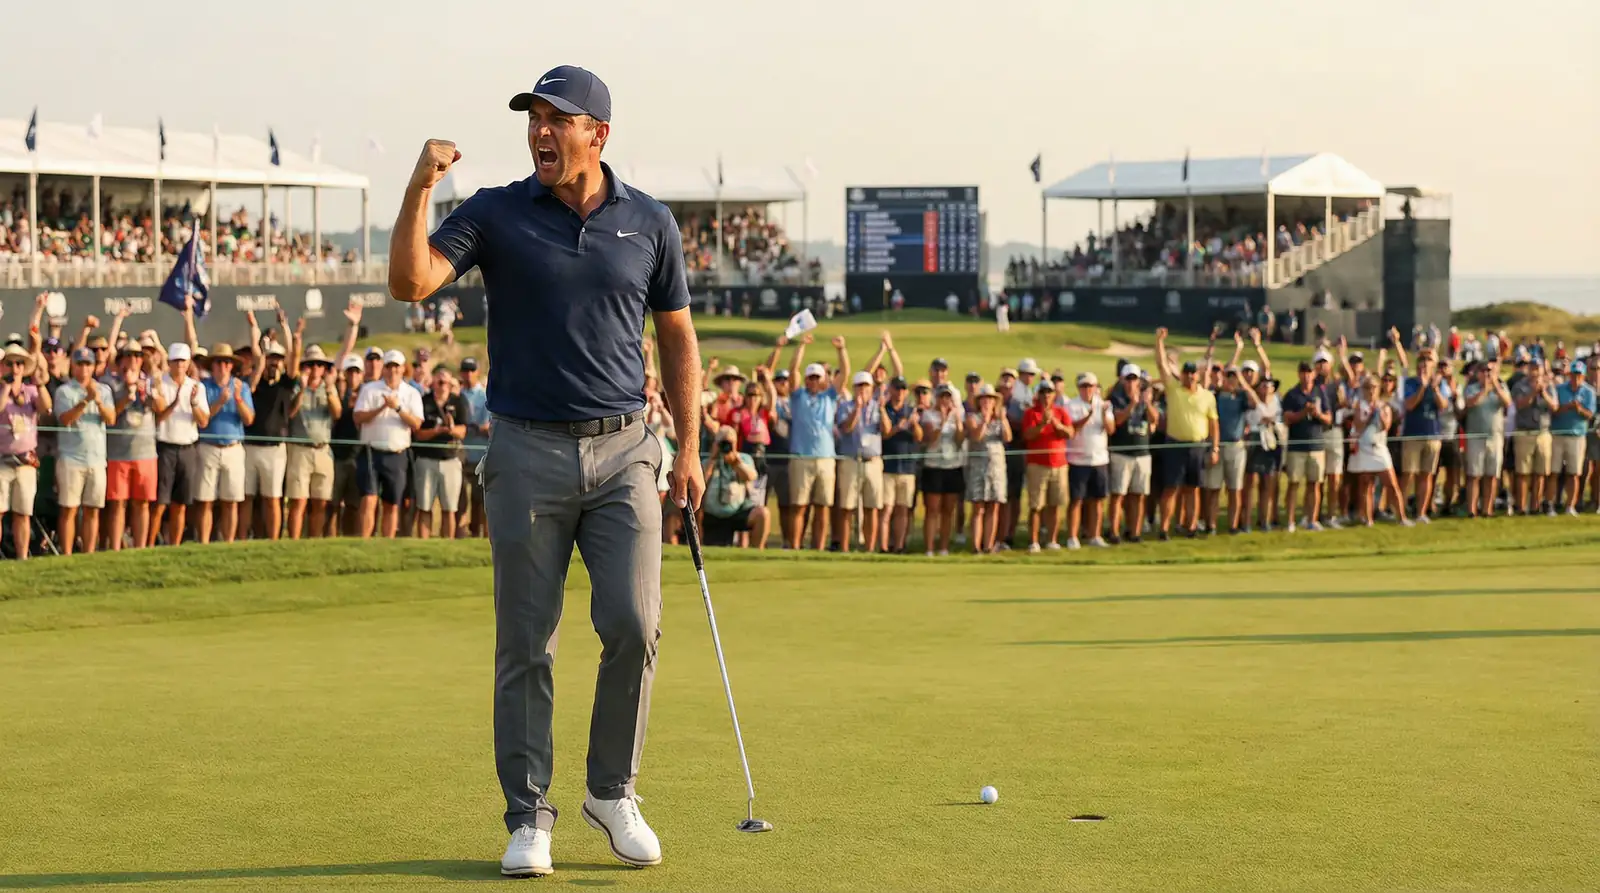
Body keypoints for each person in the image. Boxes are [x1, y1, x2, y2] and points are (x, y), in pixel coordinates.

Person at [389, 65, 703, 876]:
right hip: (526, 448)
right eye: (533, 117)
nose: (540, 131)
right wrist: (421, 183)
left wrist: (692, 449)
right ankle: (530, 814)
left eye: (557, 119)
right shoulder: (495, 211)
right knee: (527, 641)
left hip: (627, 446)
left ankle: (612, 790)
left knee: (634, 623)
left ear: (598, 132)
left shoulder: (650, 222)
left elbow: (676, 338)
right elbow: (411, 280)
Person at [1152, 328, 1219, 539]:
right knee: (1171, 488)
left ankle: (1191, 527)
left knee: (1192, 489)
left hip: (1197, 446)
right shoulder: (1173, 389)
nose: (1189, 376)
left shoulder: (1207, 396)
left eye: (1192, 373)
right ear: (1181, 374)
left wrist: (1214, 447)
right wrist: (1159, 341)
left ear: (1197, 376)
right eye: (1186, 373)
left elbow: (1214, 424)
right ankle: (1164, 528)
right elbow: (1161, 364)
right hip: (1175, 445)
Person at [352, 350, 425, 539]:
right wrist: (382, 407)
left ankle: (387, 544)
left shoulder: (411, 393)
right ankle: (365, 543)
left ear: (402, 369)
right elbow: (358, 417)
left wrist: (397, 408)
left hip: (397, 454)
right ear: (383, 369)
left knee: (392, 503)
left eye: (396, 366)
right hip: (371, 451)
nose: (392, 370)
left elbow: (416, 424)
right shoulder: (370, 389)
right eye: (389, 366)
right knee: (369, 500)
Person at [784, 335, 848, 550]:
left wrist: (841, 350)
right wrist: (801, 346)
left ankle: (818, 549)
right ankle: (795, 547)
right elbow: (793, 371)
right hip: (801, 458)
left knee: (823, 507)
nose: (813, 381)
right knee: (799, 507)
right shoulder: (798, 396)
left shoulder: (828, 397)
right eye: (810, 377)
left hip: (825, 459)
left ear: (823, 379)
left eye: (816, 377)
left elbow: (845, 374)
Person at [53, 348, 116, 554]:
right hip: (71, 458)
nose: (84, 368)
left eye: (88, 364)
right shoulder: (64, 391)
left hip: (97, 458)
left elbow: (111, 419)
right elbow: (65, 419)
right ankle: (67, 554)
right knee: (69, 509)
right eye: (80, 364)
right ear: (73, 366)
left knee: (92, 509)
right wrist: (86, 400)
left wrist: (97, 400)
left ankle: (89, 554)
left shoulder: (104, 390)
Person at [196, 344, 255, 544]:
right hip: (208, 447)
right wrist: (220, 402)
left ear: (231, 366)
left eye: (226, 362)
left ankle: (229, 542)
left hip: (233, 448)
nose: (223, 366)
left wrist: (237, 399)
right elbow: (202, 419)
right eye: (219, 362)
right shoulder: (204, 386)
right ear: (212, 365)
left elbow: (248, 419)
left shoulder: (242, 387)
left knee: (231, 501)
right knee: (206, 501)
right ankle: (204, 543)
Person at [102, 344, 158, 550]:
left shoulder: (151, 381)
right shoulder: (109, 383)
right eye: (128, 355)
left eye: (137, 355)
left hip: (145, 452)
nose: (133, 359)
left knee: (142, 503)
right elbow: (109, 416)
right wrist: (127, 393)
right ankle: (116, 549)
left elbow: (159, 408)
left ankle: (141, 548)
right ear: (120, 360)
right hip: (118, 453)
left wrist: (146, 394)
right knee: (118, 504)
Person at [152, 342, 208, 547]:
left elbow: (203, 421)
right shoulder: (160, 383)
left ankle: (174, 546)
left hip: (187, 448)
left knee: (180, 504)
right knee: (160, 503)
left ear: (188, 363)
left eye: (183, 361)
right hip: (165, 447)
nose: (179, 365)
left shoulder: (197, 387)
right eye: (175, 361)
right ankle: (149, 545)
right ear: (169, 363)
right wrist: (175, 402)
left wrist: (192, 404)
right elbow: (158, 417)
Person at [285, 345, 342, 539]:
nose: (315, 368)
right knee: (298, 501)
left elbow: (337, 413)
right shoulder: (295, 386)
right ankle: (293, 543)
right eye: (311, 364)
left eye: (319, 364)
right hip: (300, 449)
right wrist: (302, 389)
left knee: (321, 502)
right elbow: (290, 413)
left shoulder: (329, 388)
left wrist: (329, 387)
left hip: (323, 449)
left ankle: (314, 542)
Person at [1, 344, 51, 559]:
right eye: (10, 363)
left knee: (23, 513)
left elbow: (46, 408)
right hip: (1, 461)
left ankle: (22, 558)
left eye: (19, 363)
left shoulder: (30, 391)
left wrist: (40, 385)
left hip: (25, 462)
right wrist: (5, 387)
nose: (15, 368)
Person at [1348, 375, 1412, 527]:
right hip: (1364, 447)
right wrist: (1370, 415)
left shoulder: (1384, 406)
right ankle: (1368, 519)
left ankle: (1402, 517)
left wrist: (1380, 413)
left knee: (1391, 483)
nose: (1371, 391)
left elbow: (1386, 427)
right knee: (1366, 485)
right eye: (1368, 388)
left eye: (1374, 387)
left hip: (1379, 448)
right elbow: (1357, 425)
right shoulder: (1359, 405)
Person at [834, 369, 887, 553]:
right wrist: (857, 409)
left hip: (872, 461)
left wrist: (881, 409)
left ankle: (870, 549)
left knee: (872, 507)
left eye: (866, 387)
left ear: (872, 389)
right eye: (859, 387)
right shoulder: (846, 406)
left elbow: (886, 430)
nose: (862, 390)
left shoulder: (877, 406)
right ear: (854, 388)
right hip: (851, 460)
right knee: (847, 507)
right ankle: (846, 548)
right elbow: (846, 428)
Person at [413, 367, 470, 538]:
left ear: (450, 383)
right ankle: (423, 545)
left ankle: (447, 546)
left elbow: (463, 431)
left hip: (450, 460)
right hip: (426, 459)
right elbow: (419, 434)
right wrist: (437, 431)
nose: (442, 385)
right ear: (433, 382)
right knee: (424, 507)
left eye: (445, 382)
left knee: (449, 508)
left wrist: (450, 428)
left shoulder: (459, 401)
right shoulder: (424, 401)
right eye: (439, 381)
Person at [1020, 380, 1073, 551]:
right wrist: (1042, 423)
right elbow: (1027, 435)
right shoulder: (1031, 413)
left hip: (1059, 465)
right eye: (1043, 392)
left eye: (1049, 392)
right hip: (1037, 465)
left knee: (1055, 504)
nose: (1046, 396)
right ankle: (1034, 541)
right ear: (1038, 394)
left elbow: (1070, 433)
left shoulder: (1061, 412)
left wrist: (1056, 423)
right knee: (1036, 506)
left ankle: (1052, 540)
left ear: (1054, 395)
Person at [1399, 348, 1450, 524]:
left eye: (1428, 360)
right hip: (1413, 434)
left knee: (1426, 475)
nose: (1424, 364)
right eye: (1422, 360)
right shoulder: (1410, 383)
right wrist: (1422, 387)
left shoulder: (1440, 383)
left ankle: (1421, 513)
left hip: (1433, 434)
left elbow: (1443, 405)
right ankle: (1402, 513)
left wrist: (1434, 389)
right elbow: (1410, 405)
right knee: (1408, 474)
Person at [1063, 372, 1113, 548]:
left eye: (1090, 386)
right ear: (1079, 388)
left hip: (1099, 459)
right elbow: (1072, 428)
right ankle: (1072, 537)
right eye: (1084, 386)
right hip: (1078, 460)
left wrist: (1104, 414)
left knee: (1097, 500)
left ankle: (1095, 535)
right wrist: (1089, 415)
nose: (1087, 390)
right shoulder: (1071, 405)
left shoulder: (1104, 405)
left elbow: (1111, 429)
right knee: (1076, 500)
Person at [1107, 366, 1157, 543]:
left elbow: (1154, 419)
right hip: (1122, 453)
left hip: (1142, 453)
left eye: (1134, 379)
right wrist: (1132, 404)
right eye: (1127, 379)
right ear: (1122, 380)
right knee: (1118, 495)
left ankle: (1134, 532)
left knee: (1138, 495)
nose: (1130, 383)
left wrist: (1147, 402)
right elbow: (1118, 421)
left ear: (1139, 381)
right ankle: (1114, 532)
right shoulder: (1116, 398)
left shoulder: (1145, 398)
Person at [1281, 360, 1331, 532]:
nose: (1306, 375)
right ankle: (1290, 521)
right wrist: (1303, 412)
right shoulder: (1292, 395)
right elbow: (1288, 418)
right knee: (1294, 484)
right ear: (1299, 374)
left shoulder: (1320, 392)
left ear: (1313, 373)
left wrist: (1317, 414)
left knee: (1314, 484)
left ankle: (1312, 520)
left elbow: (1329, 418)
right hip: (1297, 447)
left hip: (1317, 445)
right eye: (1303, 372)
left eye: (1309, 372)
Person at [700, 426, 769, 548]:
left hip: (737, 511)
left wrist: (735, 463)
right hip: (712, 514)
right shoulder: (707, 462)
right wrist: (712, 459)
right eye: (723, 443)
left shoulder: (744, 459)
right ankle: (697, 552)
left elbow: (751, 476)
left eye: (729, 443)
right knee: (696, 513)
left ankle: (756, 555)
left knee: (763, 514)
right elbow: (700, 483)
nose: (726, 446)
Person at [918, 384, 966, 555]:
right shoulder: (928, 415)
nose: (945, 400)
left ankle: (944, 547)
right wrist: (944, 420)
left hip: (952, 466)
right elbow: (931, 438)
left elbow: (960, 441)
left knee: (948, 510)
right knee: (932, 509)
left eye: (948, 397)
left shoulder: (957, 416)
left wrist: (957, 420)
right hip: (934, 466)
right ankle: (929, 548)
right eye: (942, 397)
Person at [963, 383, 1010, 553]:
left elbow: (1008, 437)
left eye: (990, 399)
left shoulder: (999, 419)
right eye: (984, 399)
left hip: (996, 467)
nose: (987, 402)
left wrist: (1002, 419)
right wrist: (984, 419)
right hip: (978, 467)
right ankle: (976, 546)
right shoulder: (972, 417)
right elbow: (977, 436)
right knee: (978, 507)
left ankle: (989, 545)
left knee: (994, 506)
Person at [1462, 359, 1511, 518]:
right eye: (1484, 371)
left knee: (1492, 475)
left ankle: (1487, 509)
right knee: (1474, 475)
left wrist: (1495, 386)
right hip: (1476, 436)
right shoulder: (1471, 388)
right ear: (1478, 373)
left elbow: (1508, 403)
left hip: (1495, 437)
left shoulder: (1501, 387)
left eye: (1490, 370)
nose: (1487, 373)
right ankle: (1471, 509)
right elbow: (1470, 403)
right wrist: (1484, 389)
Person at [1511, 360, 1557, 515]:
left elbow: (1554, 407)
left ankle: (1535, 506)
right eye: (1533, 368)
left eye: (1538, 368)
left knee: (1541, 472)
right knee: (1523, 472)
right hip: (1525, 432)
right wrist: (1532, 392)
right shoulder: (1520, 385)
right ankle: (1521, 507)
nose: (1535, 371)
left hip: (1543, 433)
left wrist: (1543, 392)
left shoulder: (1549, 386)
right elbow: (1519, 404)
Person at [881, 377, 919, 553]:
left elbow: (919, 437)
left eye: (903, 389)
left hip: (907, 467)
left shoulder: (911, 410)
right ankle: (883, 546)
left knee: (903, 509)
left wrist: (914, 424)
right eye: (897, 388)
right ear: (891, 389)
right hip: (888, 466)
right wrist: (899, 426)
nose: (900, 392)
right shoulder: (885, 409)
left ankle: (899, 546)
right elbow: (886, 433)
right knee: (887, 509)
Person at [1551, 361, 1595, 515]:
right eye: (1573, 375)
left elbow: (1590, 414)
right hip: (1557, 434)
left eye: (1578, 375)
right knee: (1554, 472)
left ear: (1583, 376)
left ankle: (1570, 506)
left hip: (1577, 436)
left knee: (1573, 473)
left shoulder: (1589, 392)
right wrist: (1568, 407)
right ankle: (1550, 505)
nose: (1575, 378)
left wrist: (1579, 409)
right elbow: (1554, 410)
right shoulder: (1559, 389)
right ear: (1569, 375)